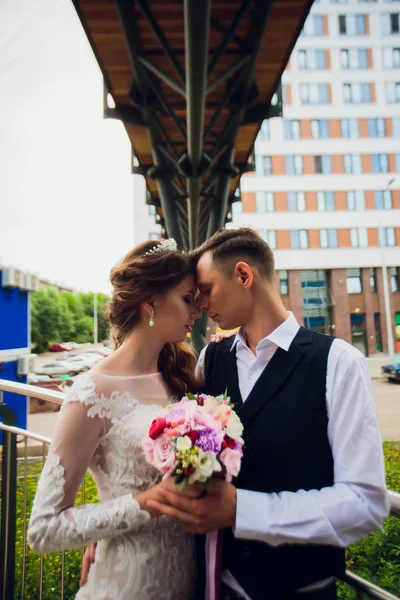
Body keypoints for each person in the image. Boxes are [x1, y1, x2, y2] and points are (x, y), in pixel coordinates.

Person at [146, 227, 390, 600]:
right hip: (214, 586)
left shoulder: (339, 363)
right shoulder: (212, 359)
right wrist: (120, 537)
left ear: (244, 275)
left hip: (302, 592)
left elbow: (365, 503)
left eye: (207, 290)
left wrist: (243, 510)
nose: (201, 307)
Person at [27, 239, 202, 600]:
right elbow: (43, 530)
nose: (197, 310)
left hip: (187, 580)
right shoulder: (91, 393)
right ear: (150, 301)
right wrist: (144, 503)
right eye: (187, 298)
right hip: (127, 585)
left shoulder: (181, 377)